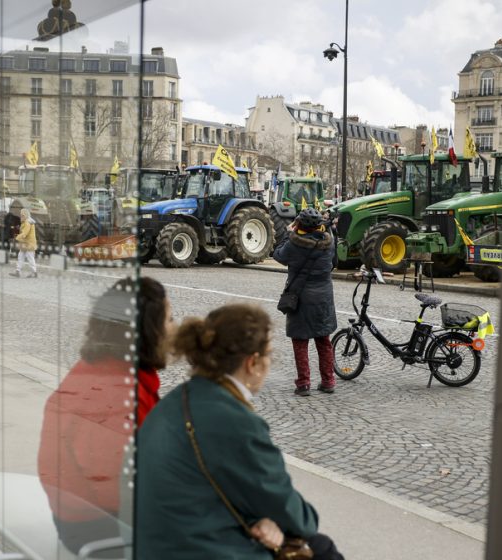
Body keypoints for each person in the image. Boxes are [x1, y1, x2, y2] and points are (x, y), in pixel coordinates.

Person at [136, 304, 343, 559]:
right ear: (252, 363)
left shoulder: (179, 397)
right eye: (269, 354)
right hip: (199, 548)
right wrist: (270, 521)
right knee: (322, 549)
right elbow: (296, 515)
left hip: (158, 541)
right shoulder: (235, 421)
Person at [37, 277, 173, 555]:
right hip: (101, 528)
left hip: (86, 516)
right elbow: (119, 492)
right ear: (148, 330)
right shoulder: (115, 393)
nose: (175, 329)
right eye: (169, 319)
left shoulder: (105, 372)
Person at [273, 208, 338, 396]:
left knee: (300, 341)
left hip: (301, 297)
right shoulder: (329, 242)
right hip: (323, 297)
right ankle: (328, 381)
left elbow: (279, 255)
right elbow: (333, 263)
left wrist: (288, 234)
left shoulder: (295, 244)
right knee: (324, 340)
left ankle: (303, 384)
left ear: (299, 224)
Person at [9, 208, 38, 278]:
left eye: (22, 215)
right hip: (25, 243)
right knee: (21, 256)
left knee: (30, 257)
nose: (21, 217)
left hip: (28, 244)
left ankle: (34, 272)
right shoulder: (26, 222)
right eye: (21, 215)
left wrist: (17, 238)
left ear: (25, 215)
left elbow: (24, 233)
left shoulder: (27, 223)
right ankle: (18, 271)